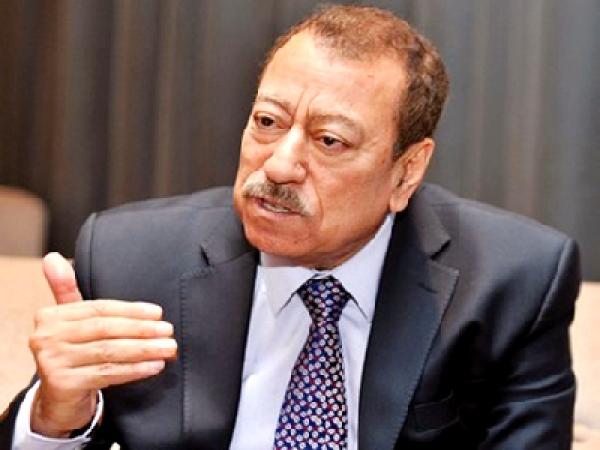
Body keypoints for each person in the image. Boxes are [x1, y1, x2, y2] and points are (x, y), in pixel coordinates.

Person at [1, 5, 580, 450]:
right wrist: (54, 418)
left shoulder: (512, 283)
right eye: (267, 121)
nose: (278, 165)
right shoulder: (131, 258)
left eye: (329, 140)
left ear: (407, 171)